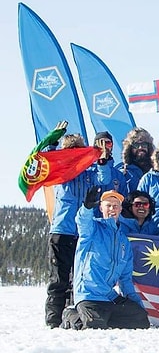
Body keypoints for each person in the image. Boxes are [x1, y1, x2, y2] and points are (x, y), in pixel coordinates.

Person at [45, 130, 112, 328]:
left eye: (78, 150)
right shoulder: (60, 175)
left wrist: (101, 160)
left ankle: (73, 318)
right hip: (62, 232)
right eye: (70, 151)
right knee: (59, 279)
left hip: (84, 234)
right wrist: (52, 143)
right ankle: (53, 321)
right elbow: (47, 163)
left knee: (80, 279)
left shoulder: (89, 175)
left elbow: (104, 179)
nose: (74, 154)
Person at [61, 188, 150, 330]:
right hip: (89, 295)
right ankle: (72, 314)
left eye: (115, 206)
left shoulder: (124, 242)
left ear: (120, 209)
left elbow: (125, 279)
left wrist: (137, 305)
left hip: (110, 298)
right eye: (108, 205)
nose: (112, 209)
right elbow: (82, 221)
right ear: (101, 208)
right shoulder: (92, 228)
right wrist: (86, 207)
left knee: (140, 321)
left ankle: (99, 317)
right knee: (95, 327)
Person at [116, 127, 155, 194]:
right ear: (130, 149)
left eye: (144, 144)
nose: (140, 148)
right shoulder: (123, 172)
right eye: (136, 145)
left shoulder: (156, 172)